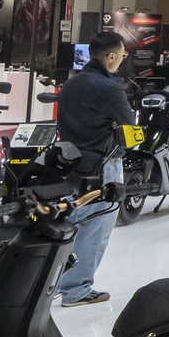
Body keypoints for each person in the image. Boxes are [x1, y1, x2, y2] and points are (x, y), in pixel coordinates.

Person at [52, 35, 135, 309]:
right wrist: (114, 125)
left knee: (71, 224)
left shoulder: (71, 84)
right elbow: (130, 131)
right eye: (122, 55)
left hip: (69, 163)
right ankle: (77, 289)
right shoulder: (111, 88)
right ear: (111, 56)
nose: (122, 60)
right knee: (95, 228)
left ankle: (59, 283)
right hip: (103, 165)